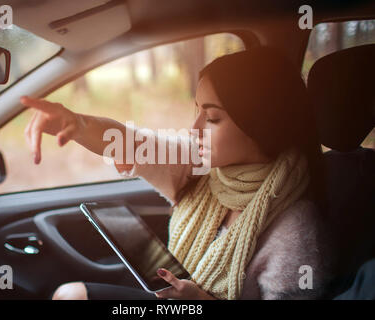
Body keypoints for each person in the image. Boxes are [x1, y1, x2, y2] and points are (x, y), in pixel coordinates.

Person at [20, 47, 334, 300]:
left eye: (211, 118)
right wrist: (79, 124)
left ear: (260, 125)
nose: (194, 128)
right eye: (196, 110)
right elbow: (131, 143)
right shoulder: (200, 166)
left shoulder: (297, 230)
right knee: (70, 295)